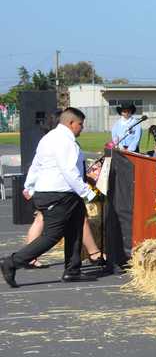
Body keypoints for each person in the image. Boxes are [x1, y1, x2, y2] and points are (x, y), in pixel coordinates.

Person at [3, 108, 97, 287]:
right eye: (80, 124)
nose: (82, 128)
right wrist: (87, 192)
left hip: (61, 193)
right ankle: (12, 262)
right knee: (52, 236)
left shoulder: (49, 138)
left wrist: (29, 185)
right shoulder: (64, 141)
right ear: (71, 123)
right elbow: (68, 170)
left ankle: (72, 270)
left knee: (76, 227)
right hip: (59, 193)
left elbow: (37, 164)